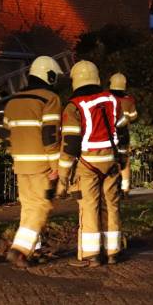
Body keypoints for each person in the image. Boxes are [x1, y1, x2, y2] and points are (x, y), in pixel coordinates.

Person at [57, 60, 123, 267]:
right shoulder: (112, 99)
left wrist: (63, 177)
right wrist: (121, 158)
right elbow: (123, 132)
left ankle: (91, 255)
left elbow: (70, 145)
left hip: (88, 165)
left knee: (89, 206)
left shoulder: (74, 106)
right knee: (111, 206)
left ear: (76, 80)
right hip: (110, 162)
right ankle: (113, 252)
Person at [3, 55, 64, 267]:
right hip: (41, 165)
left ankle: (30, 251)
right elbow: (50, 135)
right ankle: (19, 249)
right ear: (49, 75)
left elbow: (4, 132)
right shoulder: (50, 99)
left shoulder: (13, 101)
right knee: (41, 206)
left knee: (28, 208)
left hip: (20, 164)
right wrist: (56, 167)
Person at [108, 72, 137, 197]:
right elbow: (134, 116)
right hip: (124, 134)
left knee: (112, 160)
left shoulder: (107, 98)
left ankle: (112, 187)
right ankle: (125, 189)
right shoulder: (129, 100)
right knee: (124, 161)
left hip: (109, 135)